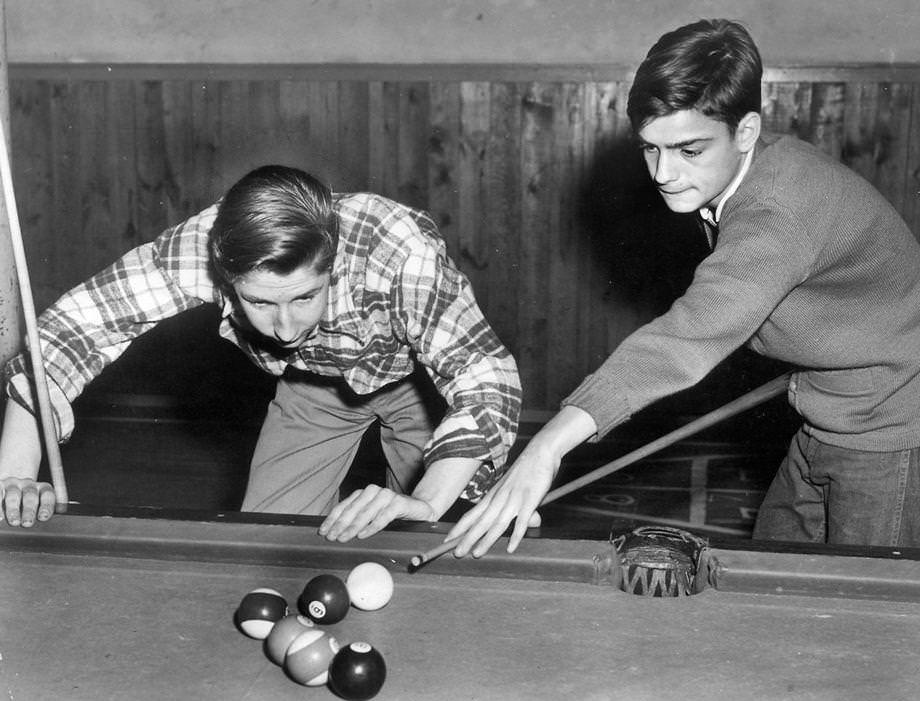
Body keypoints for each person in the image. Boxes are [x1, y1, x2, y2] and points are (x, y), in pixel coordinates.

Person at [446, 18, 920, 558]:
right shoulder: (744, 169)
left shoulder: (777, 214)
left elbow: (686, 337)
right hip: (828, 407)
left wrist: (546, 449)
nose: (664, 173)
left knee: (867, 613)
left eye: (688, 150)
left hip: (890, 427)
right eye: (651, 148)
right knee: (772, 572)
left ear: (746, 131)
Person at [0, 165, 522, 538]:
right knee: (267, 546)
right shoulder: (201, 246)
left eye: (304, 297)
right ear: (225, 277)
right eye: (258, 302)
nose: (286, 327)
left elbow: (484, 377)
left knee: (430, 537)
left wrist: (427, 501)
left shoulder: (395, 247)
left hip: (423, 392)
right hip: (314, 388)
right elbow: (74, 328)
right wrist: (15, 476)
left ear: (333, 262)